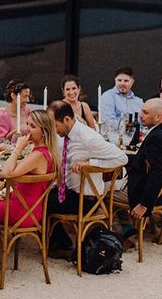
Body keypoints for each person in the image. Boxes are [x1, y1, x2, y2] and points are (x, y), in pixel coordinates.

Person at [46, 101, 128, 254]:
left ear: (67, 120)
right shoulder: (65, 134)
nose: (54, 129)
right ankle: (58, 242)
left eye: (55, 125)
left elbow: (122, 158)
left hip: (87, 199)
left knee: (42, 203)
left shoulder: (88, 137)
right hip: (70, 192)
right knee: (40, 194)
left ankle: (62, 245)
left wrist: (89, 163)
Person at [0, 110, 60, 227]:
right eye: (27, 124)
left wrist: (18, 148)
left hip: (21, 212)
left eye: (32, 126)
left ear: (43, 132)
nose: (27, 129)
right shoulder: (47, 152)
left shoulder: (38, 156)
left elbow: (6, 173)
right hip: (33, 211)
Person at [114, 98, 162, 218]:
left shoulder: (155, 137)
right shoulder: (157, 133)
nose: (140, 115)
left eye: (145, 113)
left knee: (99, 191)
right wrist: (120, 155)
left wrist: (144, 204)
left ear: (158, 117)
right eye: (141, 111)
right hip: (155, 191)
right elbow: (141, 159)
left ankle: (117, 228)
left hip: (142, 193)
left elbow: (158, 173)